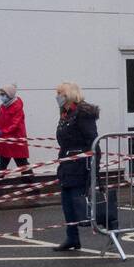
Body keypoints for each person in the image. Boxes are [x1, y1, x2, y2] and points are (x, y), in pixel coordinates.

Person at [53, 82, 99, 252]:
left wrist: (95, 168)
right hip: (66, 163)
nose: (57, 96)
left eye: (60, 93)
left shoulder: (82, 113)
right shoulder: (65, 113)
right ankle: (72, 237)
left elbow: (93, 140)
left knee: (81, 202)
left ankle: (109, 230)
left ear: (69, 94)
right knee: (67, 202)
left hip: (79, 165)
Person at [0, 84, 33, 191]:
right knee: (1, 165)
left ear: (9, 95)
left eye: (3, 94)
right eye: (1, 94)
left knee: (23, 166)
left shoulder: (17, 108)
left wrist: (0, 132)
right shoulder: (3, 107)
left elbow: (14, 125)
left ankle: (32, 188)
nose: (1, 96)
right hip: (5, 142)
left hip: (16, 142)